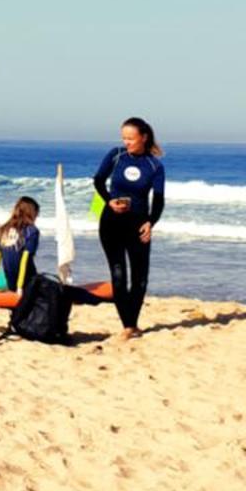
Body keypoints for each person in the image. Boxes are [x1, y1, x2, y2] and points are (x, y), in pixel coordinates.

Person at [93, 117, 165, 339]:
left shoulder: (154, 165)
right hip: (111, 223)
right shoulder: (116, 155)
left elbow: (159, 199)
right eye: (124, 138)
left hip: (138, 225)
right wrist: (108, 200)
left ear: (143, 137)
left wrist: (150, 222)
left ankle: (132, 323)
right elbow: (98, 180)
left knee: (140, 278)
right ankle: (128, 325)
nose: (127, 142)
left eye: (131, 138)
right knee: (118, 274)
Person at [0, 196, 41, 292]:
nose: (36, 217)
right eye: (36, 214)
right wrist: (20, 288)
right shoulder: (32, 231)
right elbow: (25, 259)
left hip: (11, 283)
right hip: (27, 284)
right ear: (32, 213)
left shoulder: (2, 230)